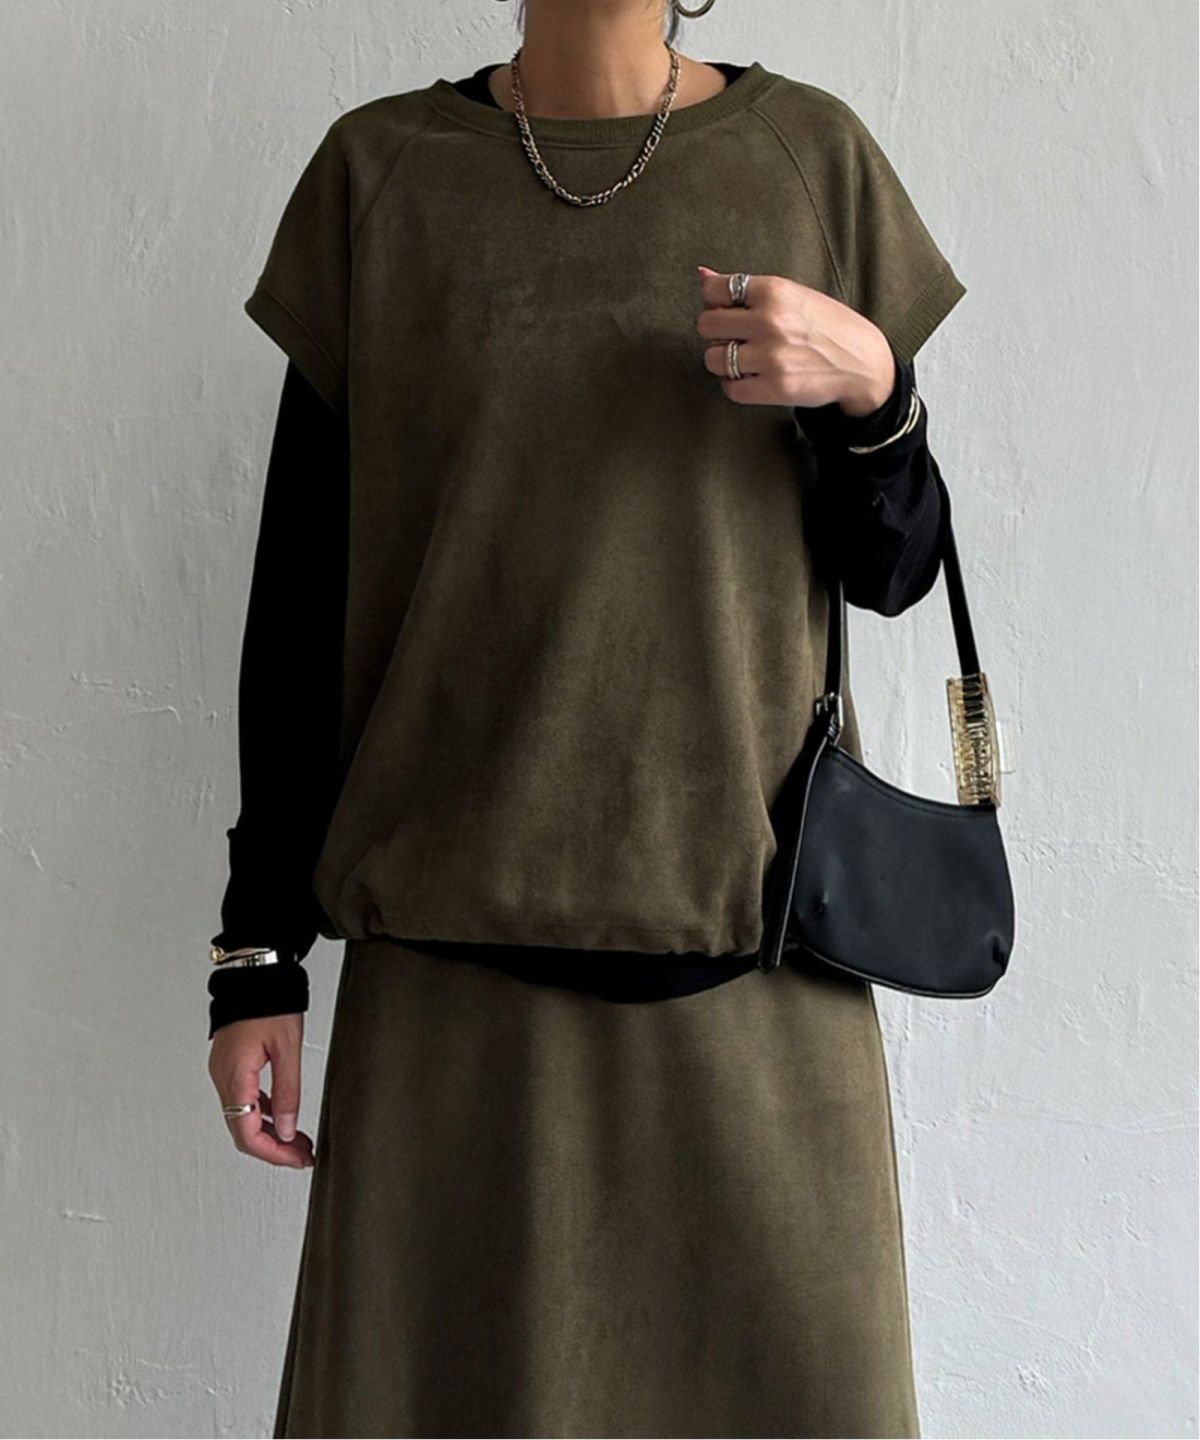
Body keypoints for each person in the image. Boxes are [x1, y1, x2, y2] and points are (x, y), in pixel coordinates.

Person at [207, 3, 967, 1434]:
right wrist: (257, 953)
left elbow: (895, 571)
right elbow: (301, 601)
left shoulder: (810, 161)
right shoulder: (382, 177)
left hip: (756, 987)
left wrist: (875, 392)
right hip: (451, 1009)